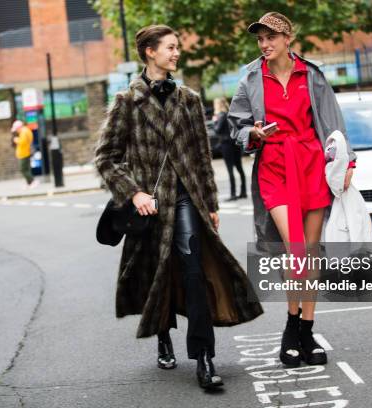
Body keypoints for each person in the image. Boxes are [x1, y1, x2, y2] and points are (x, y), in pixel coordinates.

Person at [94, 24, 263, 390]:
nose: (177, 53)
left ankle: (204, 356)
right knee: (160, 269)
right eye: (170, 47)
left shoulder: (188, 99)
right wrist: (134, 193)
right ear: (150, 52)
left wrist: (211, 203)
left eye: (177, 47)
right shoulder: (127, 102)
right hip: (149, 205)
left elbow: (202, 157)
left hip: (185, 197)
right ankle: (163, 334)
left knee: (192, 268)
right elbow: (106, 158)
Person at [228, 12, 357, 367]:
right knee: (295, 248)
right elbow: (235, 126)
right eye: (260, 39)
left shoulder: (312, 75)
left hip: (312, 163)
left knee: (311, 250)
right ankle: (290, 325)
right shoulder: (251, 79)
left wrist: (348, 163)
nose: (265, 44)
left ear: (288, 39)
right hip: (275, 167)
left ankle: (306, 329)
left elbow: (333, 123)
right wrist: (252, 134)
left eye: (271, 37)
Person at [213, 97, 246, 201]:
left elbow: (217, 130)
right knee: (239, 168)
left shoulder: (221, 115)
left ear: (218, 105)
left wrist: (215, 121)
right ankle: (243, 192)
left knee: (230, 169)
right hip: (235, 144)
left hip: (226, 145)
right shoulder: (230, 114)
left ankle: (233, 194)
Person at [11, 120, 38, 188]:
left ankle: (32, 181)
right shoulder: (26, 130)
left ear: (18, 127)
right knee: (27, 169)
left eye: (16, 129)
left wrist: (16, 140)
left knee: (23, 169)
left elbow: (23, 142)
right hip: (26, 152)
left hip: (24, 153)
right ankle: (29, 183)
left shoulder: (23, 132)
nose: (16, 131)